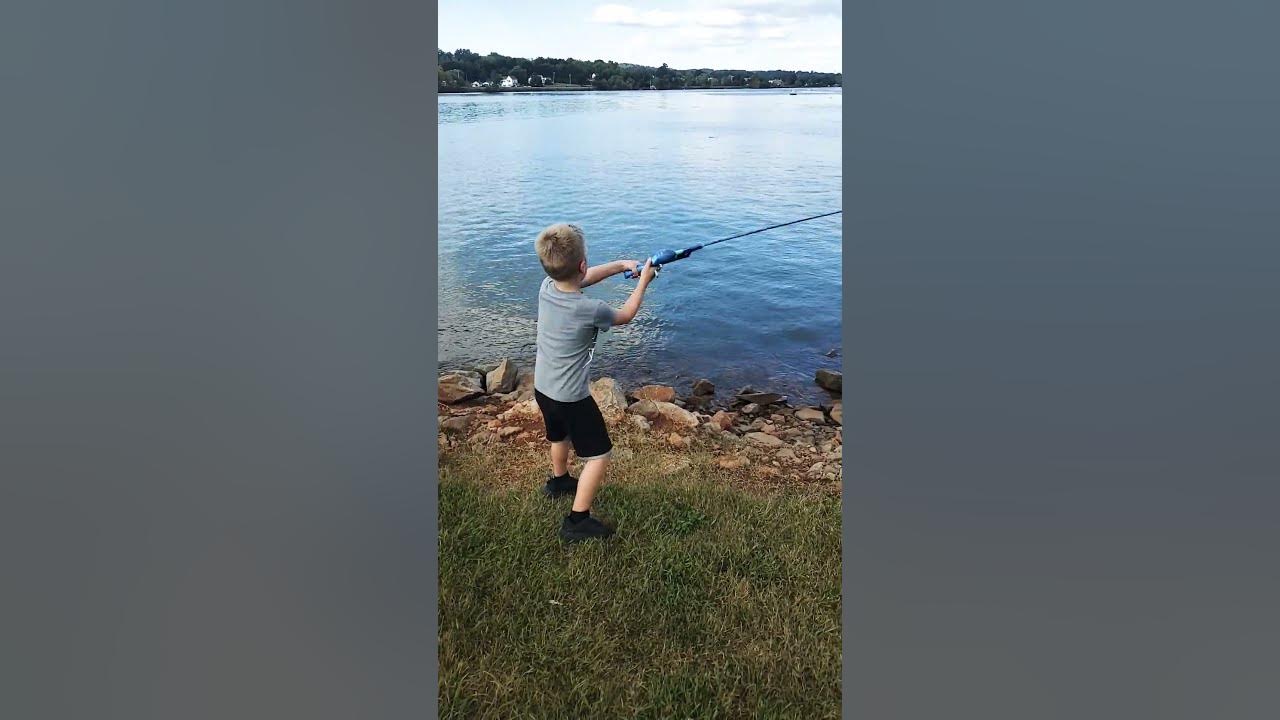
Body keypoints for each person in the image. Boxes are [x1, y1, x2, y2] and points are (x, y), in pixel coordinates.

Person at [532, 223, 656, 541]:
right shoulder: (592, 309)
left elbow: (580, 277)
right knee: (599, 455)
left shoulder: (547, 287)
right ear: (583, 264)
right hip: (571, 397)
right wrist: (642, 280)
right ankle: (577, 521)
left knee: (558, 436)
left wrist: (619, 266)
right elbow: (626, 315)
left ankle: (559, 481)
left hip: (543, 388)